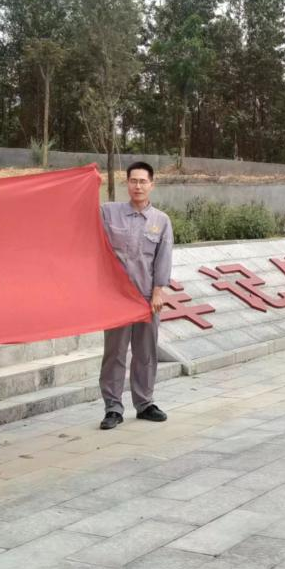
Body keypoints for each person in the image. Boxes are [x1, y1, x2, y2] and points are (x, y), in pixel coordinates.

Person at [98, 161, 174, 430]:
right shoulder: (109, 213)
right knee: (115, 353)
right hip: (116, 298)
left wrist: (158, 291)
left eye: (143, 181)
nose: (138, 186)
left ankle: (144, 403)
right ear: (126, 183)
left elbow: (163, 258)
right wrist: (90, 183)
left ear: (151, 185)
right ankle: (113, 407)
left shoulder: (161, 221)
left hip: (146, 298)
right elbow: (83, 219)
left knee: (145, 351)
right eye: (133, 181)